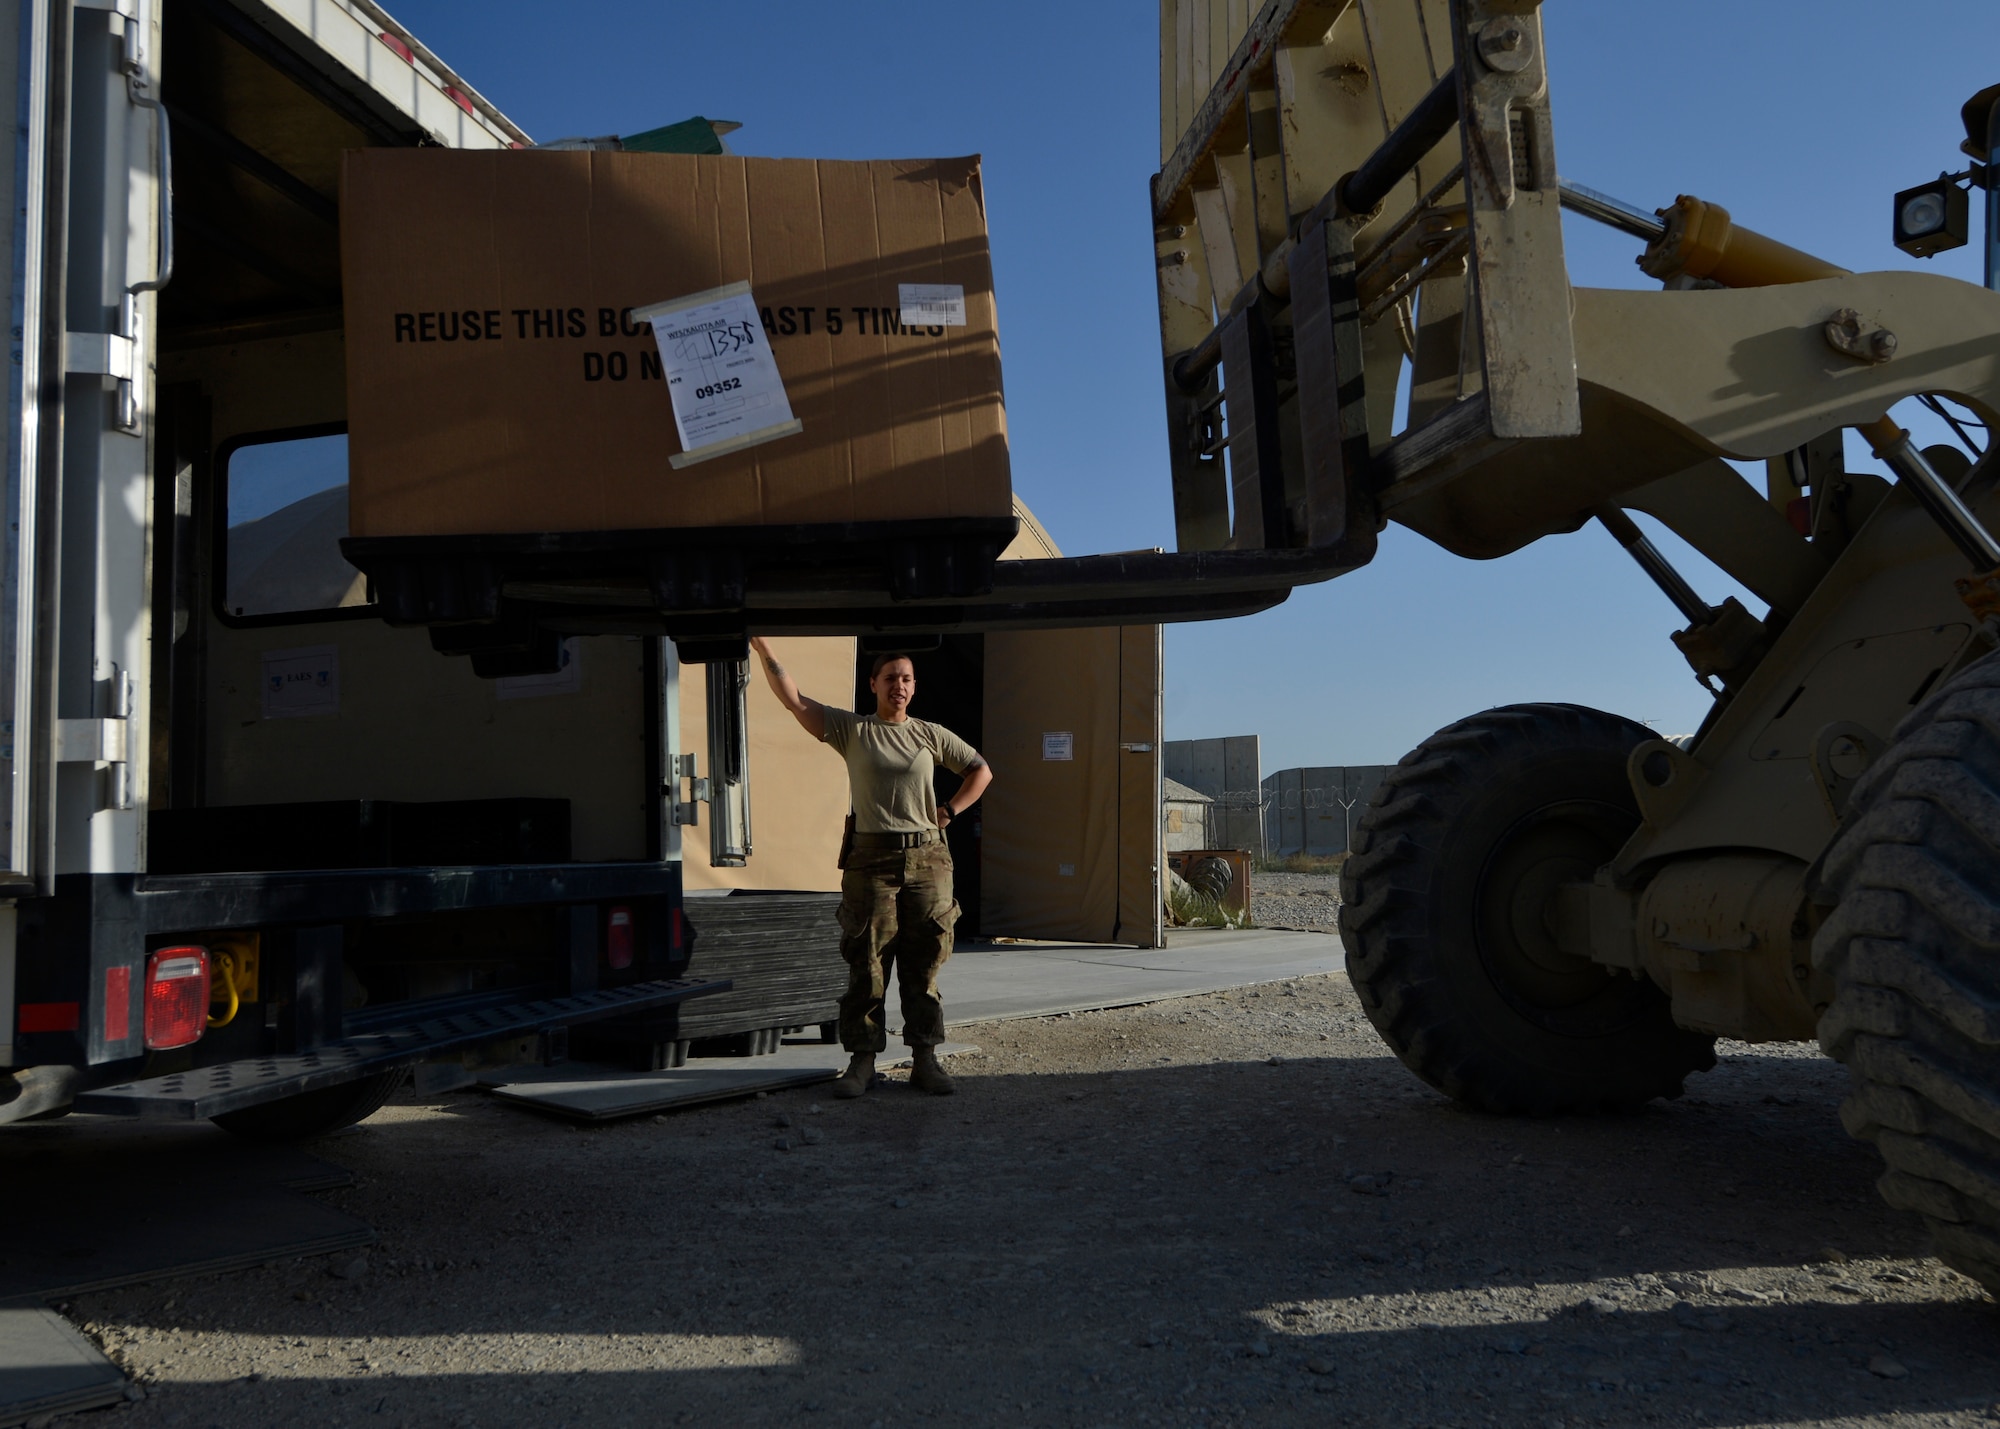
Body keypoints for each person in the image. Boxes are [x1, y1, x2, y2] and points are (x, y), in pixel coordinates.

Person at [749, 636, 993, 1098]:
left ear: (914, 687)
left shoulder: (930, 734)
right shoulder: (853, 730)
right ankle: (861, 1063)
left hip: (928, 859)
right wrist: (765, 652)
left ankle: (925, 1059)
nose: (897, 686)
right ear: (873, 685)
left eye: (905, 679)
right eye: (889, 679)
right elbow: (795, 701)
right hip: (869, 859)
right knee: (867, 961)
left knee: (925, 963)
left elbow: (980, 770)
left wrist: (948, 812)